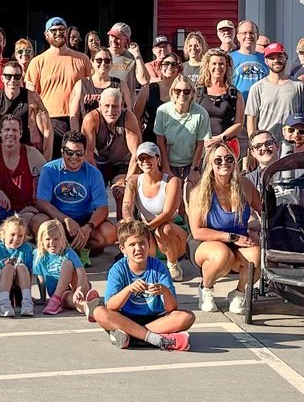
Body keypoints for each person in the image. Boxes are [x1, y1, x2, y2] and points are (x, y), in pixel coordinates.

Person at [93, 220, 194, 351]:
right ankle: (158, 340)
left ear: (149, 244)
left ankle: (132, 338)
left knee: (186, 317)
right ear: (123, 248)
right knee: (99, 312)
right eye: (132, 245)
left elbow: (172, 308)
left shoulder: (159, 267)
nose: (138, 248)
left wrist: (164, 291)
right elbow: (111, 305)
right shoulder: (117, 269)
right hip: (126, 318)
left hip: (155, 320)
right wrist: (129, 289)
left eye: (142, 243)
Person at [188, 144, 260, 315]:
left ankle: (239, 293)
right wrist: (232, 237)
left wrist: (258, 227)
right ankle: (206, 288)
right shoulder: (200, 192)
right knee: (223, 256)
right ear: (210, 164)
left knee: (256, 258)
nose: (224, 163)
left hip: (239, 238)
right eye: (218, 160)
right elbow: (197, 231)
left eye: (229, 159)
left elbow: (263, 209)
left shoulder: (245, 185)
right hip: (206, 242)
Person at [36, 131, 117, 258]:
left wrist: (88, 227)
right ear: (62, 151)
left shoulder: (94, 173)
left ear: (85, 153)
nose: (74, 157)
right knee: (38, 221)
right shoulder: (49, 169)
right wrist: (65, 220)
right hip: (57, 221)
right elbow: (41, 202)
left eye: (79, 153)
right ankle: (61, 246)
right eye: (69, 152)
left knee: (110, 232)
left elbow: (102, 208)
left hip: (85, 221)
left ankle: (81, 247)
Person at [28, 17, 93, 148]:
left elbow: (93, 87)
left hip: (78, 119)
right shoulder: (37, 62)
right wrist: (33, 129)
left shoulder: (83, 59)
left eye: (62, 30)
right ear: (46, 35)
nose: (58, 33)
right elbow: (31, 99)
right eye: (54, 30)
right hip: (50, 120)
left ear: (67, 33)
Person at [124, 141, 188, 268]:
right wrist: (130, 222)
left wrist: (145, 229)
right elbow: (126, 206)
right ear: (137, 162)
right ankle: (135, 264)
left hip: (171, 231)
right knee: (123, 225)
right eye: (142, 158)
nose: (145, 161)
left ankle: (173, 265)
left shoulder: (171, 181)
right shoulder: (133, 181)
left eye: (150, 157)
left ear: (158, 159)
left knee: (165, 229)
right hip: (148, 230)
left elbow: (168, 213)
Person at [0, 113, 45, 234]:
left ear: (20, 133)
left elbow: (48, 182)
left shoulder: (32, 154)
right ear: (0, 132)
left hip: (24, 212)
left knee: (41, 222)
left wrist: (36, 206)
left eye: (15, 130)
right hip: (0, 210)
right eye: (7, 130)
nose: (10, 133)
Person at [245, 43, 304, 142]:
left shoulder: (299, 85)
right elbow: (251, 118)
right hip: (266, 144)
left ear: (286, 57)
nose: (276, 60)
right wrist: (254, 143)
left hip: (292, 143)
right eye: (272, 58)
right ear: (266, 61)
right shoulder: (257, 88)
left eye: (279, 56)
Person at [32, 219, 93, 316]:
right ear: (41, 240)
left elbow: (81, 274)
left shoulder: (68, 252)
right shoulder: (38, 255)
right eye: (48, 239)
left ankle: (58, 298)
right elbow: (41, 280)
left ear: (62, 238)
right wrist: (42, 299)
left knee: (67, 263)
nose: (52, 242)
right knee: (70, 299)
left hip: (78, 286)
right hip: (63, 294)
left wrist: (79, 289)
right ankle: (87, 307)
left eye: (56, 239)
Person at [0, 217, 38, 317]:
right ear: (3, 234)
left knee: (22, 267)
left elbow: (30, 273)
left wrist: (29, 292)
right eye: (12, 235)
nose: (16, 239)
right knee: (9, 267)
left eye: (20, 236)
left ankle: (27, 301)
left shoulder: (26, 249)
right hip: (0, 291)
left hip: (19, 292)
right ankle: (4, 303)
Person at [153, 79, 209, 179]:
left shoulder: (202, 114)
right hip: (169, 162)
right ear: (172, 92)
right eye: (177, 91)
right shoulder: (162, 111)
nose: (182, 94)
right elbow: (160, 142)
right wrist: (166, 168)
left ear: (192, 93)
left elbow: (200, 144)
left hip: (192, 163)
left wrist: (194, 169)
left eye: (186, 91)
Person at [0, 57, 41, 149]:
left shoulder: (31, 97)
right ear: (2, 78)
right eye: (8, 76)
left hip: (24, 147)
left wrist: (46, 160)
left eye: (17, 76)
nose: (12, 80)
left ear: (21, 78)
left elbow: (47, 130)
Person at [81, 86, 137, 180]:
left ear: (122, 105)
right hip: (97, 163)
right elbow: (87, 152)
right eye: (107, 106)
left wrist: (127, 182)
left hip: (121, 164)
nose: (111, 111)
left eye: (115, 106)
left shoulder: (128, 118)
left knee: (119, 190)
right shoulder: (91, 119)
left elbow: (136, 152)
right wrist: (96, 180)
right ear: (100, 105)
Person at [197, 50, 241, 151]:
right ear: (208, 66)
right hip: (202, 146)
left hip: (226, 145)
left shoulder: (234, 94)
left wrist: (220, 138)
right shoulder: (198, 91)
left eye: (221, 64)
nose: (218, 67)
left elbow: (239, 123)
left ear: (226, 67)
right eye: (214, 63)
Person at [230, 20, 268, 97]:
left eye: (252, 33)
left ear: (257, 36)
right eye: (244, 33)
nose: (248, 36)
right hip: (238, 105)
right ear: (237, 36)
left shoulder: (266, 59)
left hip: (262, 106)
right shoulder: (229, 58)